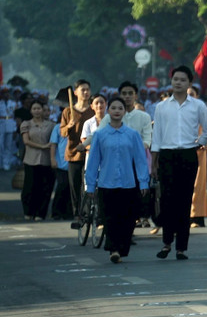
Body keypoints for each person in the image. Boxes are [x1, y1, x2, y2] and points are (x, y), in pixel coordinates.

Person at [151, 65, 207, 260]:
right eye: (175, 79)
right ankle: (166, 243)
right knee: (167, 200)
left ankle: (181, 248)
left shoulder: (198, 105)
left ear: (189, 83)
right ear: (171, 81)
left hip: (188, 154)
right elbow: (157, 135)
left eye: (182, 80)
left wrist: (199, 144)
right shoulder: (161, 107)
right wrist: (154, 162)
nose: (178, 82)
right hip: (167, 155)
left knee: (185, 200)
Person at [84, 97, 149, 264]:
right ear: (108, 111)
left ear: (124, 112)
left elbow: (140, 160)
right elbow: (93, 162)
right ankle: (113, 249)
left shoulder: (133, 135)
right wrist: (90, 185)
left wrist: (143, 182)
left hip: (128, 182)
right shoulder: (99, 135)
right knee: (110, 218)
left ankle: (122, 248)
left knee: (128, 218)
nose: (117, 111)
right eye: (113, 108)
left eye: (120, 108)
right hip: (107, 182)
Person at [98, 81, 153, 228]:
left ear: (135, 95)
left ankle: (128, 228)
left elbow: (147, 139)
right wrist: (84, 144)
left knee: (132, 198)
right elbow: (98, 135)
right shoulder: (109, 117)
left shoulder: (144, 117)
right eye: (124, 94)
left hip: (135, 163)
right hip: (113, 162)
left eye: (130, 93)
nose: (127, 96)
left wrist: (136, 149)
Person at [61, 79, 94, 229]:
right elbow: (62, 132)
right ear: (75, 92)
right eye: (82, 90)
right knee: (75, 186)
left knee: (89, 185)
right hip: (74, 153)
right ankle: (77, 214)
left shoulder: (93, 110)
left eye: (87, 89)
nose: (85, 92)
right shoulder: (68, 111)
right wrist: (69, 125)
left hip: (91, 153)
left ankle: (89, 212)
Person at [19, 101, 56, 221]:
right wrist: (42, 146)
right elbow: (26, 141)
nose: (37, 111)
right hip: (31, 159)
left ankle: (41, 213)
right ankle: (28, 211)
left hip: (46, 160)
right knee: (30, 187)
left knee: (44, 187)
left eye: (39, 108)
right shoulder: (26, 124)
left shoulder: (50, 125)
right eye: (34, 108)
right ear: (31, 111)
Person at [187, 84, 207, 228]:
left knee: (198, 185)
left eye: (192, 94)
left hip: (199, 152)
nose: (189, 97)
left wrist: (201, 142)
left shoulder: (201, 109)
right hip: (183, 151)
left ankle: (197, 216)